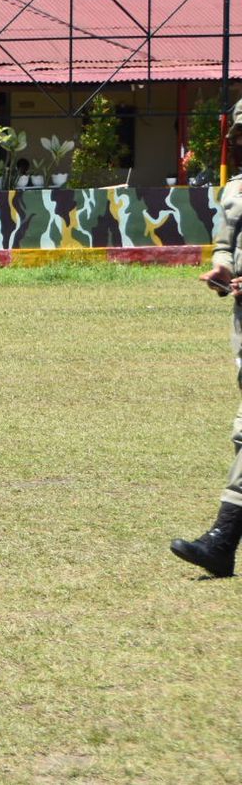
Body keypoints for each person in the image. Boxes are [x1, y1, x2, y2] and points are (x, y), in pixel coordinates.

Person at [171, 101, 242, 578]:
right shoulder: (236, 191)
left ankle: (222, 539)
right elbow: (228, 249)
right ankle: (222, 542)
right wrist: (223, 271)